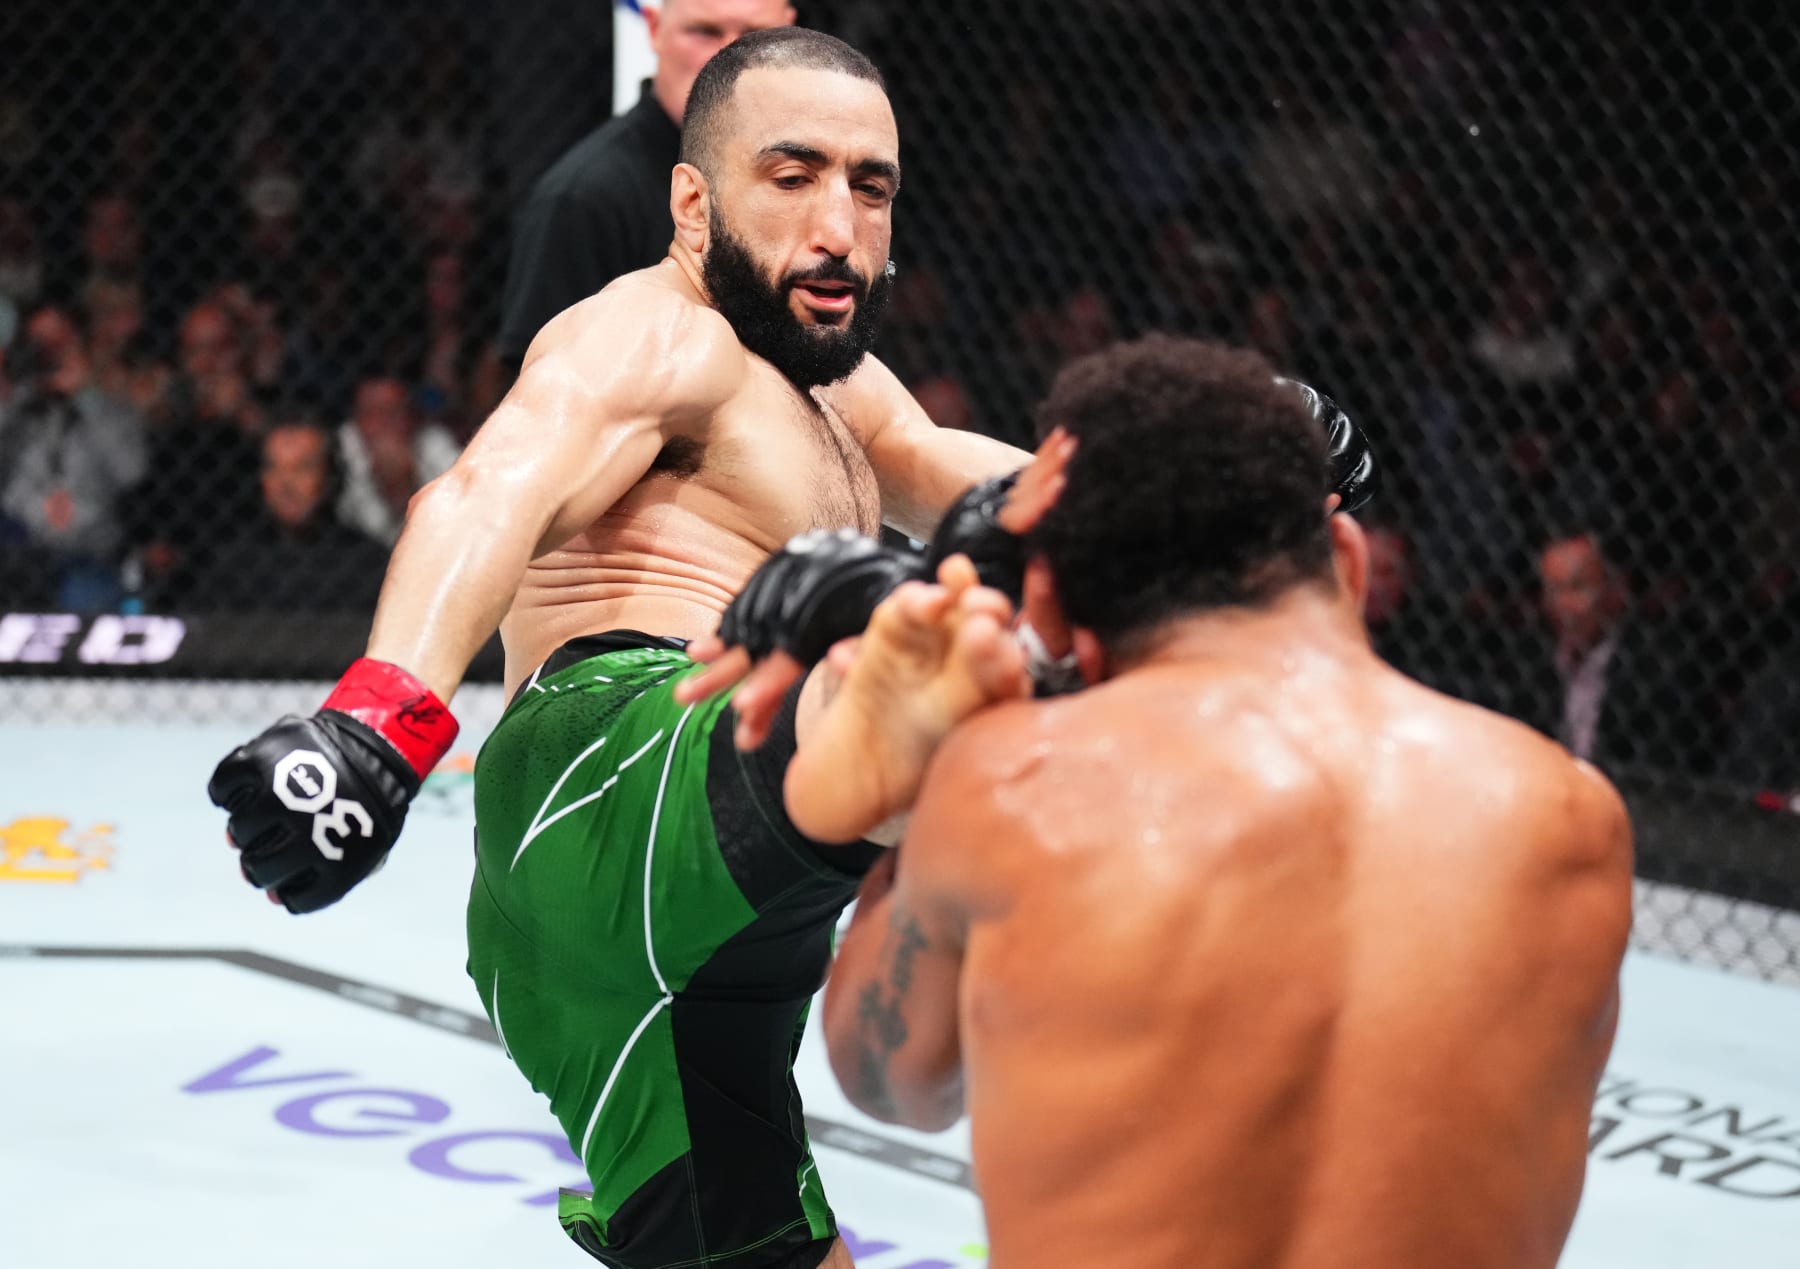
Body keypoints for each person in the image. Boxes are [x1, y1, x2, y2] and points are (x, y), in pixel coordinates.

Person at [208, 30, 1033, 1269]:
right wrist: (378, 722)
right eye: (793, 174)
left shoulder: (838, 386)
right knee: (923, 642)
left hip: (673, 950)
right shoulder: (658, 334)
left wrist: (1191, 486)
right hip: (613, 777)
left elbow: (949, 469)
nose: (840, 225)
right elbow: (493, 489)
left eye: (871, 186)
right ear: (693, 200)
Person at [727, 337, 1633, 1269]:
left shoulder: (1017, 792)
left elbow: (889, 1081)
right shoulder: (1571, 817)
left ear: (1071, 610)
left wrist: (952, 737)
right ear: (1351, 561)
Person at [497, 0, 797, 371]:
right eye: (704, 31)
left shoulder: (812, 184)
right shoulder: (583, 198)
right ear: (653, 29)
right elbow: (542, 399)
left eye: (755, 36)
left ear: (791, 34)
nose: (728, 56)